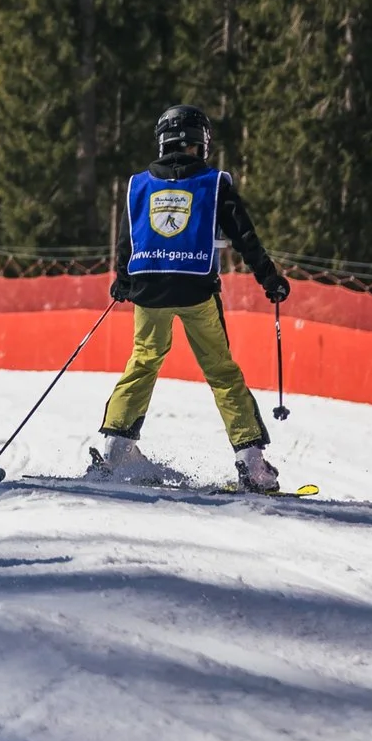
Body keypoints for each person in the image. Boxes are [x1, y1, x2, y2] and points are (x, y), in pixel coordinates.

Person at [97, 103, 292, 493]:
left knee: (143, 361)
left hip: (148, 289)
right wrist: (269, 278)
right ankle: (251, 462)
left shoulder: (139, 183)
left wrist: (122, 279)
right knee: (221, 371)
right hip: (195, 289)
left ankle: (116, 449)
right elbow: (245, 237)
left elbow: (127, 237)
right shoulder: (214, 182)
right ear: (200, 142)